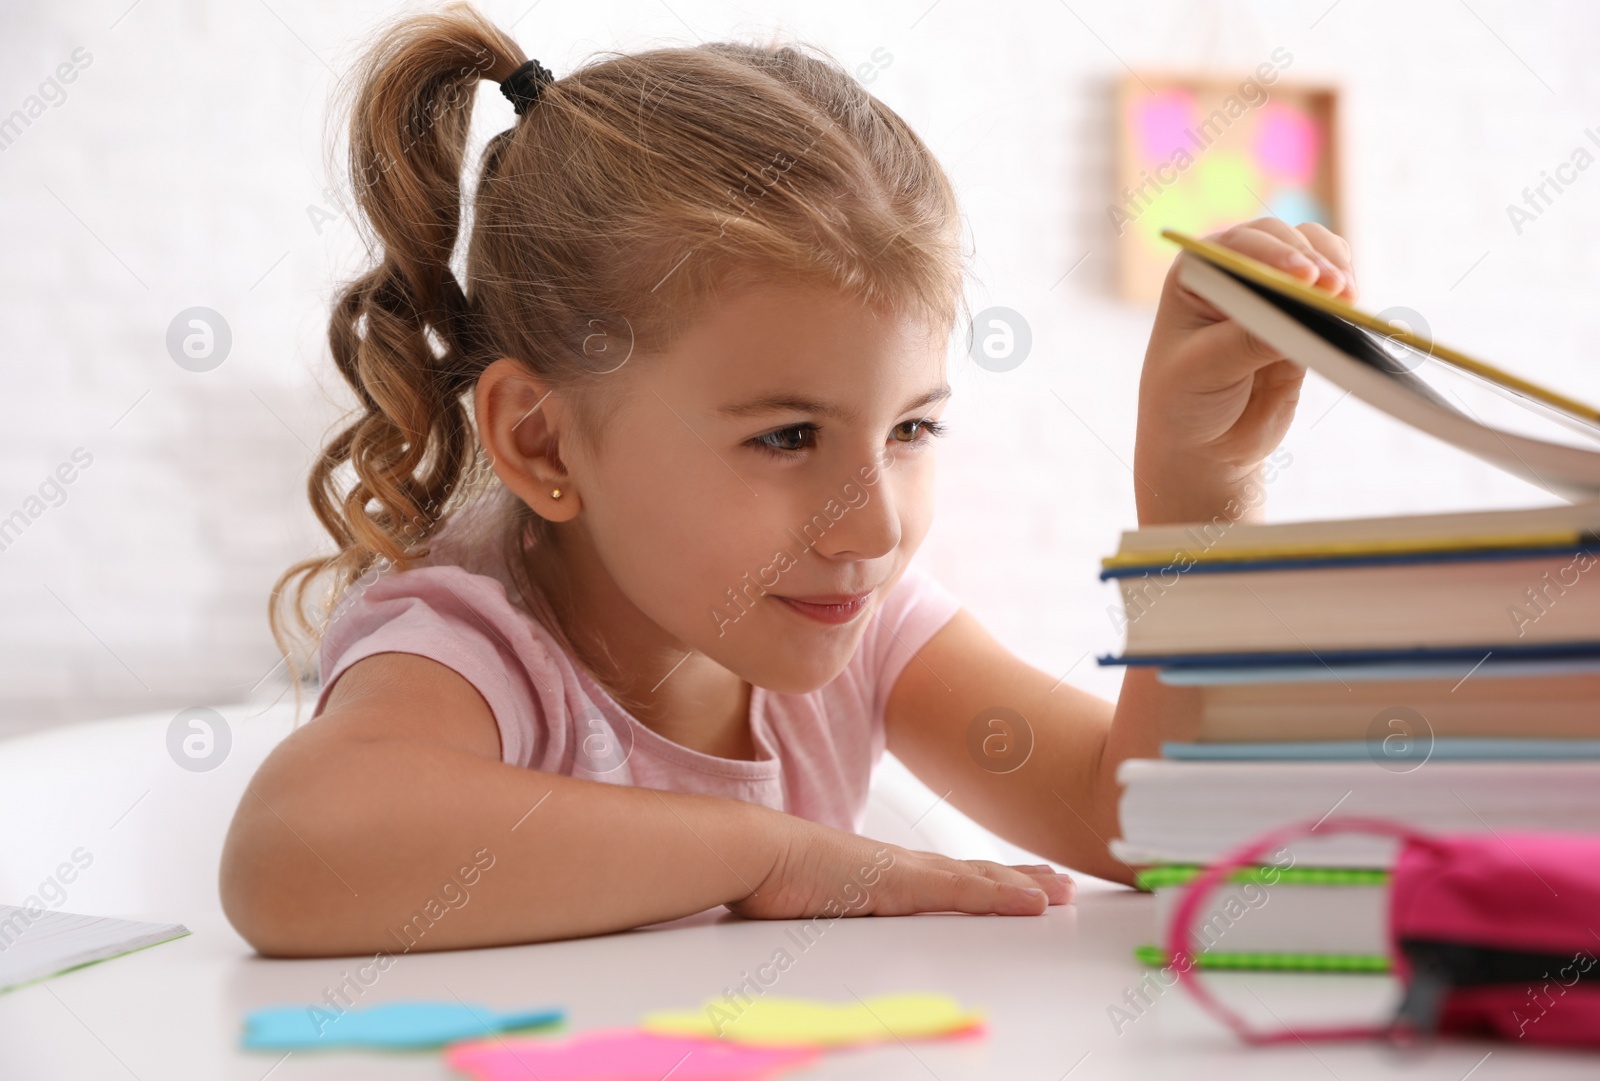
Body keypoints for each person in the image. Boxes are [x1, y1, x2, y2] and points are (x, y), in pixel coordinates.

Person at [219, 1, 1357, 957]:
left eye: (910, 428)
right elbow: (293, 853)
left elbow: (1155, 824)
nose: (870, 526)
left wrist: (1196, 498)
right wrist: (773, 854)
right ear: (545, 444)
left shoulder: (859, 624)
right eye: (786, 439)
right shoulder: (476, 643)